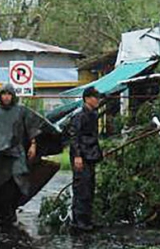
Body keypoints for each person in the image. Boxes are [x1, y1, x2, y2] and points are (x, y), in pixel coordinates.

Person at [0, 84, 54, 223]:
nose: (6, 97)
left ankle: (10, 213)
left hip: (16, 154)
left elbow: (33, 127)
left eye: (9, 94)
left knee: (16, 184)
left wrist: (33, 144)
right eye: (4, 94)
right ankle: (3, 215)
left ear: (13, 96)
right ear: (0, 96)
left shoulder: (21, 111)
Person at [70, 87, 102, 232]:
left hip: (91, 155)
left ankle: (87, 219)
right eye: (95, 97)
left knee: (89, 187)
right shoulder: (79, 116)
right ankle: (79, 222)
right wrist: (77, 156)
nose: (98, 100)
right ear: (87, 98)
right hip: (81, 156)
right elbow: (74, 137)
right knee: (81, 188)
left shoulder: (93, 114)